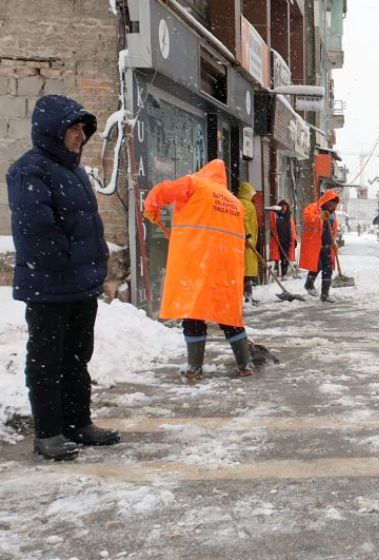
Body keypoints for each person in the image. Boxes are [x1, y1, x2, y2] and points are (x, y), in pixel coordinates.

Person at [6, 95, 119, 461]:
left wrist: (95, 263)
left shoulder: (74, 172)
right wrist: (69, 263)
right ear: (52, 129)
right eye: (73, 128)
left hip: (79, 285)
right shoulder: (30, 170)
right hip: (49, 287)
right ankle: (49, 432)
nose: (80, 136)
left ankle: (78, 422)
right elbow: (37, 231)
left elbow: (86, 226)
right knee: (47, 360)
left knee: (76, 357)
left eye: (83, 129)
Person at [143, 159, 254, 382]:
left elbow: (164, 191)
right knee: (229, 316)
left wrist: (151, 206)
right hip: (226, 268)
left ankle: (194, 368)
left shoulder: (195, 184)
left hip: (196, 263)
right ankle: (245, 364)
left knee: (193, 314)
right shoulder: (234, 202)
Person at [300, 190, 339, 302]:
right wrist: (320, 217)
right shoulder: (313, 208)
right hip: (315, 244)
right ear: (326, 201)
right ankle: (309, 284)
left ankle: (325, 295)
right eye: (331, 202)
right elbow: (307, 218)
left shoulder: (333, 214)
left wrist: (334, 243)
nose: (333, 205)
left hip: (327, 245)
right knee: (316, 266)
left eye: (335, 204)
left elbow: (332, 231)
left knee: (327, 269)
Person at [237, 181, 259, 305]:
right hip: (246, 243)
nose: (252, 195)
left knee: (248, 271)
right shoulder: (245, 203)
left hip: (248, 243)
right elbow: (243, 221)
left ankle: (248, 296)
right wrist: (248, 235)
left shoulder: (246, 203)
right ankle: (247, 297)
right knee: (247, 272)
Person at [269, 199, 297, 277]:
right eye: (281, 206)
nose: (283, 208)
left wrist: (294, 239)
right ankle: (279, 272)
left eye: (285, 206)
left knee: (285, 258)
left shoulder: (289, 217)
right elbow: (271, 225)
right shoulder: (275, 216)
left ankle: (284, 274)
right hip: (277, 239)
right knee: (278, 257)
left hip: (287, 240)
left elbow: (293, 229)